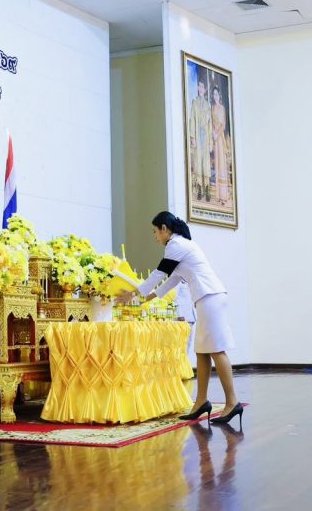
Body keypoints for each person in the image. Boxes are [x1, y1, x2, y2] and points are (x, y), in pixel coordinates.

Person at [118, 211, 243, 427]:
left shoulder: (176, 245)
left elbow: (159, 273)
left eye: (155, 232)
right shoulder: (181, 245)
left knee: (216, 350)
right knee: (202, 351)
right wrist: (147, 298)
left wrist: (133, 293)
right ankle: (201, 402)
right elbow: (173, 279)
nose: (155, 236)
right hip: (207, 299)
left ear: (164, 229)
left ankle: (232, 402)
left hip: (210, 298)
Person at [188, 77, 212, 202]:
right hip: (198, 135)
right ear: (198, 88)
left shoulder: (208, 105)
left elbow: (209, 124)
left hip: (205, 136)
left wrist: (210, 141)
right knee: (198, 162)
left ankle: (207, 188)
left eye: (203, 87)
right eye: (199, 86)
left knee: (206, 163)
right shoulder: (195, 102)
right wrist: (192, 137)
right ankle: (199, 188)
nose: (201, 89)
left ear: (205, 89)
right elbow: (192, 119)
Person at [210, 84, 231, 207]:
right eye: (214, 94)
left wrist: (217, 134)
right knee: (217, 164)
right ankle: (218, 196)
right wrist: (212, 133)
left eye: (217, 94)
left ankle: (224, 196)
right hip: (214, 136)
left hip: (220, 137)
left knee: (222, 165)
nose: (215, 96)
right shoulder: (212, 108)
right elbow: (211, 122)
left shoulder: (222, 108)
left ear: (219, 95)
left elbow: (223, 125)